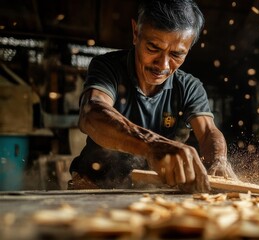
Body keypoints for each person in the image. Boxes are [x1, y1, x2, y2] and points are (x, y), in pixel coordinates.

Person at [68, 0, 236, 192]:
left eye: (176, 54)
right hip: (95, 185)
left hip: (158, 191)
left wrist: (218, 159)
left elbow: (207, 132)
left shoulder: (189, 86)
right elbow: (91, 114)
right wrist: (151, 145)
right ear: (136, 32)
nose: (163, 65)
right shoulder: (108, 67)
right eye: (153, 48)